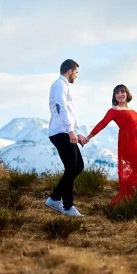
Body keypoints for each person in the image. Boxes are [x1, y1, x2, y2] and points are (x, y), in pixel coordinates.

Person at [85, 84, 137, 205]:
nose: (120, 95)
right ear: (114, 96)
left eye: (122, 92)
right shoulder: (114, 110)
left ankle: (135, 200)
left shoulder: (132, 109)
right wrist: (89, 136)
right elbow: (102, 123)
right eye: (117, 93)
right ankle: (131, 198)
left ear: (127, 94)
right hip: (129, 143)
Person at [44, 59, 87, 217]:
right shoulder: (60, 85)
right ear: (70, 71)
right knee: (72, 167)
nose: (76, 76)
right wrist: (70, 131)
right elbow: (61, 107)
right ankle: (63, 204)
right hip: (60, 132)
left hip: (65, 131)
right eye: (76, 73)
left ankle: (60, 201)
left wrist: (76, 132)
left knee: (77, 166)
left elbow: (69, 112)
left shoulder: (64, 86)